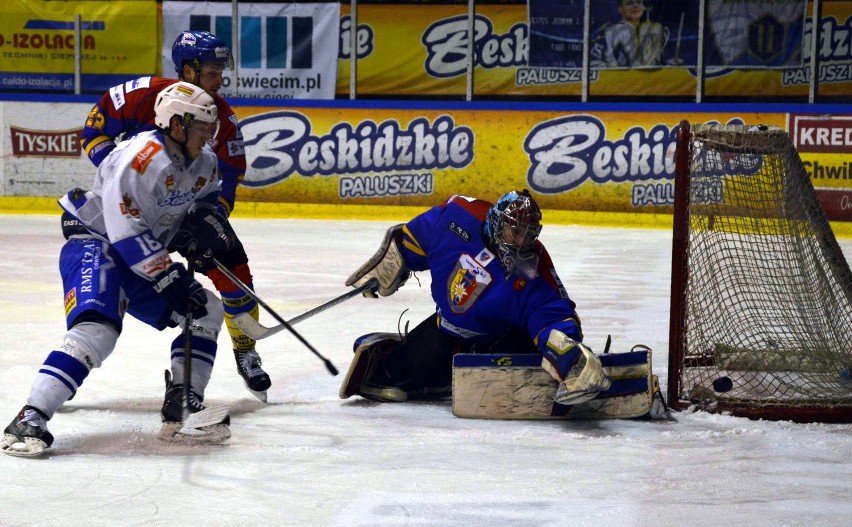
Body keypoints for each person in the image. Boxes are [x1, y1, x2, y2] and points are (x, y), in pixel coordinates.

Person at [2, 82, 231, 456]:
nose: (210, 134)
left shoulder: (204, 160)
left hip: (142, 256)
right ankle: (30, 417)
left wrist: (204, 226)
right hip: (99, 245)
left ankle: (183, 403)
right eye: (204, 126)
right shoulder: (139, 159)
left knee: (205, 309)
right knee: (98, 330)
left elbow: (205, 200)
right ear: (177, 124)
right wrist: (168, 275)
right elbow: (126, 230)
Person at [80, 31, 272, 401]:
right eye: (213, 73)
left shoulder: (221, 119)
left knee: (233, 263)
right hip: (132, 213)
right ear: (189, 70)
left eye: (221, 73)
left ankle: (246, 348)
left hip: (186, 211)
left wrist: (206, 221)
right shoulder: (140, 94)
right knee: (106, 283)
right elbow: (95, 129)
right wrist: (123, 182)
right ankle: (76, 355)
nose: (220, 81)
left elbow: (228, 176)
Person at [339, 190, 611, 405]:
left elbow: (549, 309)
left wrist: (566, 348)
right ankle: (408, 362)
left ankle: (568, 367)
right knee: (391, 377)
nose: (521, 241)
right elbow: (413, 237)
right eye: (515, 231)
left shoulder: (531, 266)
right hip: (446, 332)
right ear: (495, 223)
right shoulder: (458, 217)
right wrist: (392, 260)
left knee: (532, 355)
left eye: (529, 234)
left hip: (503, 340)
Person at [591, 0, 669, 68]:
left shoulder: (653, 30)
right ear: (620, 9)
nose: (635, 6)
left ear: (643, 7)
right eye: (629, 3)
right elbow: (596, 65)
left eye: (638, 2)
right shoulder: (608, 31)